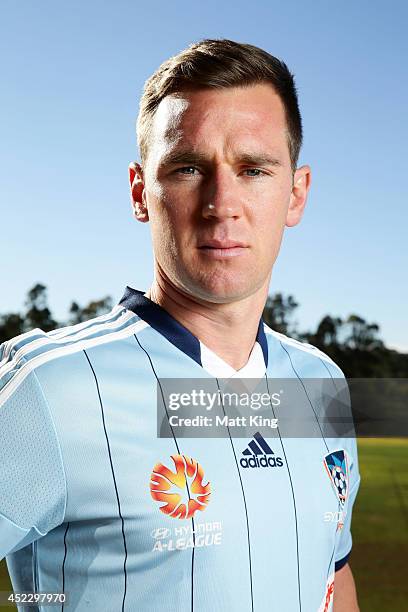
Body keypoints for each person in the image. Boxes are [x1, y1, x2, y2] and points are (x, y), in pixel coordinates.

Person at [0, 38, 360, 611]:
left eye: (253, 169)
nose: (223, 202)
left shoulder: (320, 384)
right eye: (189, 167)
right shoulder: (52, 388)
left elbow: (332, 575)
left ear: (296, 194)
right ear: (142, 191)